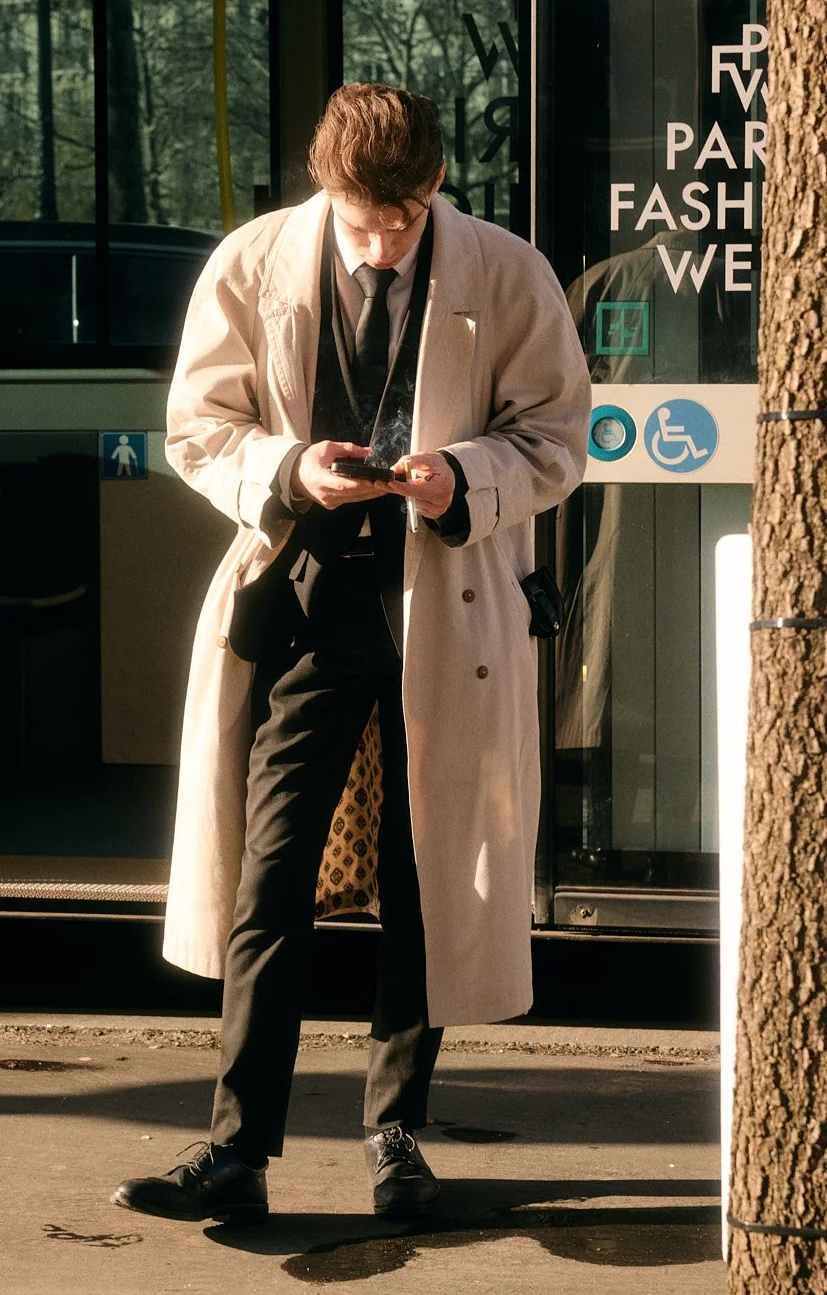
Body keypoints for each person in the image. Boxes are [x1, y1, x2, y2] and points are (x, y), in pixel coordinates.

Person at [113, 83, 591, 1225]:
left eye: (407, 220)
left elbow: (558, 435)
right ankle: (237, 1147)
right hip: (307, 603)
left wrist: (462, 475)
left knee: (420, 878)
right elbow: (198, 426)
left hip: (447, 608)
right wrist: (286, 471)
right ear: (323, 186)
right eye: (362, 222)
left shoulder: (505, 266)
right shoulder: (251, 259)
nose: (383, 246)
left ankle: (396, 1138)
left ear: (437, 184)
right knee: (268, 878)